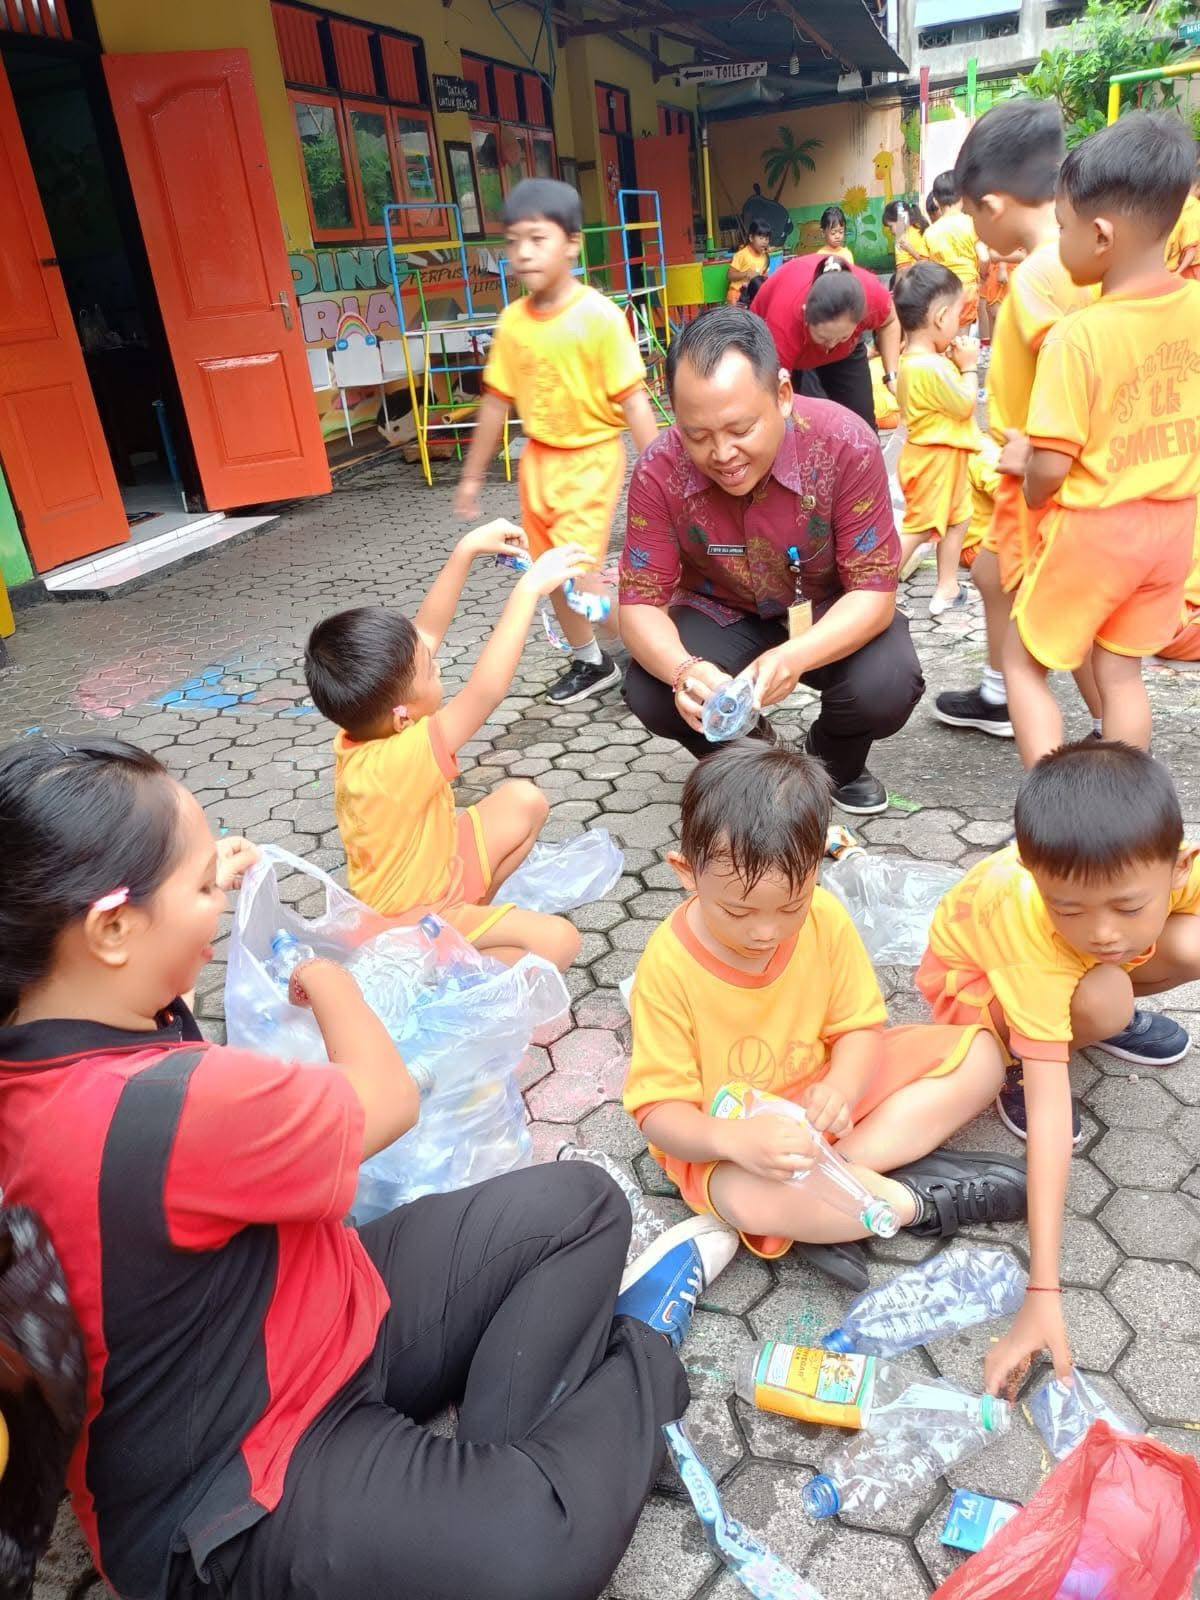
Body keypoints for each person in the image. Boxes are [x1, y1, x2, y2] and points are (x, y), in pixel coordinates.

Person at [0, 734, 737, 1600]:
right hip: (241, 1485)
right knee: (531, 1558)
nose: (219, 901)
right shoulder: (177, 1106)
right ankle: (639, 1357)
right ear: (112, 929)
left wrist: (199, 885)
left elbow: (140, 975)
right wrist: (329, 977)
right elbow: (386, 1100)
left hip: (315, 1305)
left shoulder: (49, 1032)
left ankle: (474, 1480)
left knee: (580, 1205)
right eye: (202, 887)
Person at [622, 741, 1026, 1292]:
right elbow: (659, 1112)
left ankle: (841, 1183)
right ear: (686, 872)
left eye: (791, 906)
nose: (765, 931)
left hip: (828, 1107)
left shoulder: (827, 918)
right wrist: (734, 1142)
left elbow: (859, 1027)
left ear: (816, 869)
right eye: (738, 911)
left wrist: (841, 1083)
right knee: (747, 1203)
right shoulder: (666, 965)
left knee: (980, 1054)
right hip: (735, 1136)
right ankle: (913, 1203)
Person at [916, 740, 1200, 1393]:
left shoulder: (1174, 865)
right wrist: (1042, 1288)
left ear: (1180, 866)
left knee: (1175, 945)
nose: (1101, 931)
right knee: (1105, 993)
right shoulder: (1024, 923)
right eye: (1067, 907)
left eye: (1127, 906)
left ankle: (1086, 1017)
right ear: (1036, 878)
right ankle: (1034, 1045)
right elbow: (1053, 1115)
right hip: (976, 987)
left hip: (1054, 969)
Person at [619, 307, 925, 816]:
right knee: (651, 689)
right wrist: (687, 672)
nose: (722, 453)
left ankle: (833, 763)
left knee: (888, 683)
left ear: (782, 395)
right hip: (723, 612)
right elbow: (638, 605)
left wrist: (794, 657)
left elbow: (874, 593)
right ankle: (758, 758)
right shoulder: (659, 468)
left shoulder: (845, 443)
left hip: (826, 606)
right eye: (697, 435)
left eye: (740, 428)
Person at [1003, 111, 1200, 761]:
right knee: (1120, 674)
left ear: (1100, 234)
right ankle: (1124, 824)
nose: (1057, 243)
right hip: (1173, 527)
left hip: (1098, 530)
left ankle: (1049, 821)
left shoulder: (1080, 335)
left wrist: (1027, 480)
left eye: (1062, 229)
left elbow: (1053, 469)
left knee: (1024, 662)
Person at [304, 522, 588, 969]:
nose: (436, 662)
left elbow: (426, 632)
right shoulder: (398, 759)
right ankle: (447, 961)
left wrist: (466, 550)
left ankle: (470, 928)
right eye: (433, 670)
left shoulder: (370, 724)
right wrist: (527, 591)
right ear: (404, 715)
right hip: (412, 920)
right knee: (560, 941)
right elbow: (486, 690)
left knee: (523, 800)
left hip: (438, 869)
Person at [454, 178, 657, 705]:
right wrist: (473, 476)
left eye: (537, 238)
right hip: (537, 463)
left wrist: (663, 471)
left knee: (583, 583)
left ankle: (658, 644)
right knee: (549, 577)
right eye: (513, 240)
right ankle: (591, 661)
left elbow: (634, 402)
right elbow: (496, 403)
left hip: (590, 462)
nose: (523, 253)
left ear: (571, 243)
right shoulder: (512, 323)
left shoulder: (599, 317)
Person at [932, 99, 1098, 743]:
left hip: (1038, 470)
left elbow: (1073, 373)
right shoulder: (1078, 261)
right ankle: (1006, 693)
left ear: (994, 204)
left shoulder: (1039, 275)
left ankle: (1089, 727)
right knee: (991, 574)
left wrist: (1035, 454)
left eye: (972, 212)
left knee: (1053, 616)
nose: (974, 229)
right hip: (1035, 465)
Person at [892, 261, 982, 614]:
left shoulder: (915, 360)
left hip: (944, 458)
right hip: (934, 461)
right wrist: (970, 365)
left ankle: (947, 586)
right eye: (959, 314)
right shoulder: (929, 367)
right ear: (941, 317)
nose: (961, 323)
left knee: (958, 518)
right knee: (920, 527)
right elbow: (964, 404)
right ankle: (876, 590)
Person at [751, 252, 901, 432]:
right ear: (805, 314)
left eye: (841, 336)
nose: (831, 345)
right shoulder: (783, 321)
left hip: (847, 353)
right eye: (824, 338)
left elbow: (890, 321)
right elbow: (772, 393)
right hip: (786, 355)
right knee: (797, 426)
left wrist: (891, 376)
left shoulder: (870, 295)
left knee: (862, 424)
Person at [923, 170, 982, 329]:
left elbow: (929, 267)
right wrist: (981, 274)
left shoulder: (930, 232)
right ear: (962, 195)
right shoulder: (972, 223)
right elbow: (984, 257)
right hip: (968, 287)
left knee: (945, 335)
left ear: (935, 201)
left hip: (944, 290)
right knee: (963, 337)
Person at [1164, 153, 1200, 277]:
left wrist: (1178, 272)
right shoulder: (1190, 207)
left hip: (1188, 268)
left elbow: (1191, 249)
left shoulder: (1189, 209)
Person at [726, 218, 772, 305]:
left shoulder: (765, 257)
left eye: (767, 239)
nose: (764, 242)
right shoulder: (741, 254)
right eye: (761, 238)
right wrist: (746, 274)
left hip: (753, 297)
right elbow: (730, 275)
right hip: (737, 297)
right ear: (751, 238)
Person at [883, 198, 930, 277]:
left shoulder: (903, 238)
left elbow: (902, 271)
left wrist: (895, 289)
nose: (891, 231)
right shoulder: (919, 227)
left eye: (891, 227)